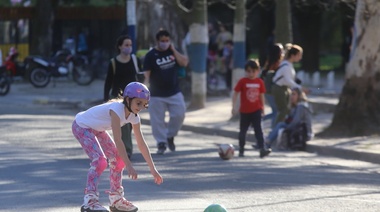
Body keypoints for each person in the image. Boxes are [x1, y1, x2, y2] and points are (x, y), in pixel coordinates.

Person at [72, 82, 163, 212]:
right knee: (99, 161)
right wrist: (129, 165)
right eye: (138, 103)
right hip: (81, 126)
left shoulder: (134, 117)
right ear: (127, 99)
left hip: (97, 128)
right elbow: (118, 139)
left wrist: (152, 169)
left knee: (118, 160)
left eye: (144, 104)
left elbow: (141, 143)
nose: (141, 107)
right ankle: (90, 201)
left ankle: (116, 200)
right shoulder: (116, 109)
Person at [143, 29, 189, 155]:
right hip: (156, 94)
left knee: (180, 114)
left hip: (174, 91)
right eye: (162, 41)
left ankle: (170, 136)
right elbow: (147, 74)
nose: (165, 43)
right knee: (157, 120)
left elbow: (184, 62)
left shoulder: (173, 51)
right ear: (157, 41)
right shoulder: (151, 55)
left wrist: (173, 50)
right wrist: (144, 91)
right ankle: (161, 142)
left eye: (167, 41)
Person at [104, 34, 142, 159]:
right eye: (126, 45)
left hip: (133, 99)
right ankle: (127, 150)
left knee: (129, 125)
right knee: (123, 126)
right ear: (120, 47)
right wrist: (105, 100)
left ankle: (121, 148)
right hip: (118, 98)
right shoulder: (113, 63)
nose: (129, 47)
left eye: (130, 45)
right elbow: (108, 82)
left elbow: (140, 77)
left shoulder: (135, 60)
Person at [232, 59, 271, 158]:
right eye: (249, 71)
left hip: (256, 110)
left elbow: (261, 95)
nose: (251, 73)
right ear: (246, 71)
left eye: (253, 71)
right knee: (243, 131)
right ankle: (241, 149)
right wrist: (234, 107)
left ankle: (262, 149)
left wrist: (262, 107)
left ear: (258, 71)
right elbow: (236, 93)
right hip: (244, 111)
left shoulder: (260, 82)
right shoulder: (243, 81)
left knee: (259, 130)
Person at [272, 44, 303, 125]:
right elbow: (288, 80)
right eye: (299, 55)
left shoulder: (289, 64)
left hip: (285, 88)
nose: (300, 57)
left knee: (288, 109)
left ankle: (284, 126)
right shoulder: (286, 65)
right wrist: (299, 87)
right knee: (284, 109)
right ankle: (276, 129)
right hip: (279, 88)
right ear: (293, 55)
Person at [261, 43, 285, 128]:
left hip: (267, 91)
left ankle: (259, 120)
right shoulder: (277, 64)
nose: (283, 52)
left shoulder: (269, 62)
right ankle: (272, 129)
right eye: (281, 50)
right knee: (277, 111)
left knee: (276, 111)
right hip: (272, 91)